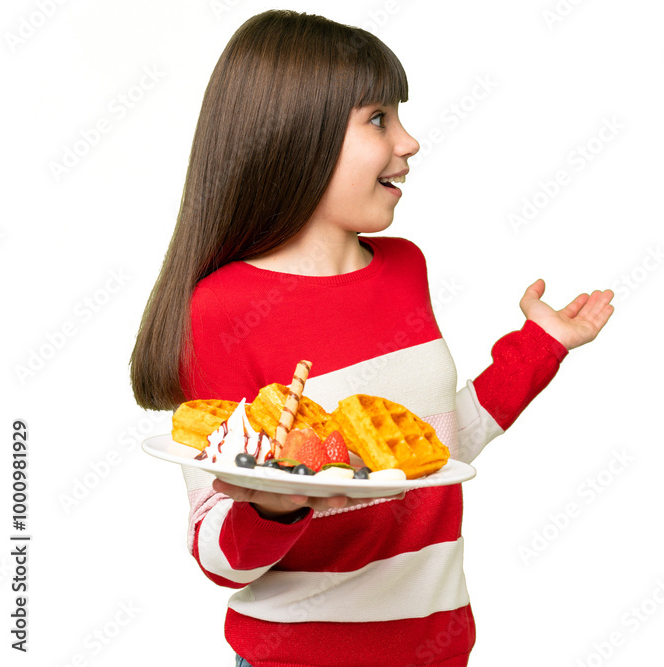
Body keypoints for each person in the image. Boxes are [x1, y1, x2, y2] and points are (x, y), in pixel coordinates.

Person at [130, 9, 614, 667]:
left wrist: (539, 348)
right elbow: (216, 553)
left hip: (437, 648)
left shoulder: (404, 268)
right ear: (297, 136)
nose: (410, 141)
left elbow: (429, 451)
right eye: (379, 118)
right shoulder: (219, 310)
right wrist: (274, 506)